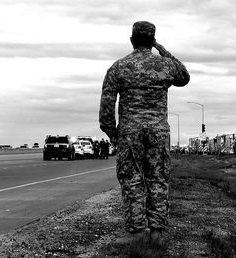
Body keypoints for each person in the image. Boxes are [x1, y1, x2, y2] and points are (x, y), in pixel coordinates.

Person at [99, 21, 190, 242]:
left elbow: (106, 106)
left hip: (130, 132)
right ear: (152, 40)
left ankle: (138, 234)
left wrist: (113, 133)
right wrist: (163, 51)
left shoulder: (119, 67)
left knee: (132, 180)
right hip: (158, 132)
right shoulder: (165, 66)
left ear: (132, 40)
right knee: (158, 178)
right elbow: (184, 77)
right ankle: (157, 234)